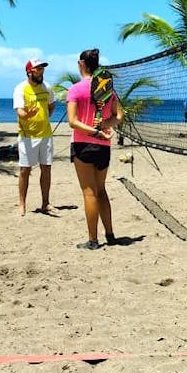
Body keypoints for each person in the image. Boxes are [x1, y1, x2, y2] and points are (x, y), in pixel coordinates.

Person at [67, 48, 124, 250]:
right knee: (101, 191)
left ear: (81, 64)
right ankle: (110, 234)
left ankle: (93, 240)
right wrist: (103, 127)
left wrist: (94, 130)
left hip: (84, 144)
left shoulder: (76, 89)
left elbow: (72, 122)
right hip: (103, 147)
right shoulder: (108, 88)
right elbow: (119, 116)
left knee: (89, 192)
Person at [13, 58, 55, 216]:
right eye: (38, 69)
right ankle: (22, 204)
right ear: (30, 71)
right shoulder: (21, 88)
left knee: (46, 168)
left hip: (46, 134)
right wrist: (27, 114)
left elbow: (51, 105)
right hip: (27, 136)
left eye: (42, 68)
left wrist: (45, 117)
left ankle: (45, 203)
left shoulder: (47, 87)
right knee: (25, 170)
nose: (41, 71)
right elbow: (19, 111)